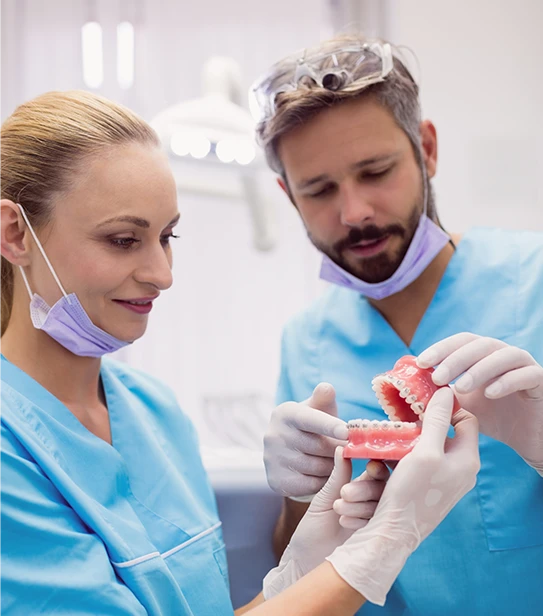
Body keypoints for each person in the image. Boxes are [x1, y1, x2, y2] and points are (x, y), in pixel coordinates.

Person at [0, 90, 479, 615]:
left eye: (167, 236)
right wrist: (379, 549)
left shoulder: (154, 411)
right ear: (14, 233)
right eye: (122, 240)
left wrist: (299, 571)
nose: (163, 274)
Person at [254, 34, 543, 615]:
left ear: (426, 149)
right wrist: (300, 497)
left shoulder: (533, 281)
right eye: (319, 189)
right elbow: (300, 573)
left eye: (376, 171)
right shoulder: (306, 341)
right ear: (288, 195)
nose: (354, 211)